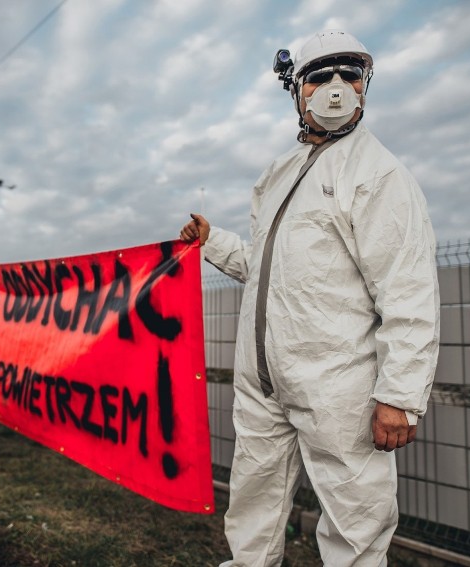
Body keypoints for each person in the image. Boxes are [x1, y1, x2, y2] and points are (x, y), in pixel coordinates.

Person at [180, 30, 440, 566]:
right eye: (321, 76)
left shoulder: (379, 175)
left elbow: (408, 291)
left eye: (350, 75)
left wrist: (401, 394)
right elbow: (268, 268)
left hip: (338, 386)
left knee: (355, 522)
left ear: (366, 87)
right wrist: (214, 243)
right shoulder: (279, 174)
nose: (337, 88)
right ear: (297, 89)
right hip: (263, 381)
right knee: (252, 507)